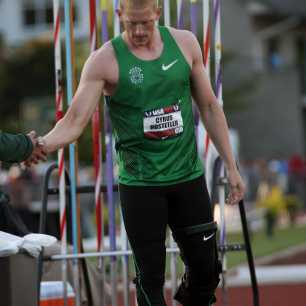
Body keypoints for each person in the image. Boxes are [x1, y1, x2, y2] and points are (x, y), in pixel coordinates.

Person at [34, 1, 245, 305]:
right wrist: (39, 144)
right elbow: (73, 122)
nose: (138, 31)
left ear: (157, 13)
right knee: (150, 279)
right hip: (141, 186)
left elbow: (210, 107)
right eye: (131, 23)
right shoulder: (103, 61)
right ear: (119, 16)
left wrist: (232, 167)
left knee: (206, 270)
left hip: (187, 176)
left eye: (145, 22)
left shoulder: (185, 44)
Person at [0, 130, 46, 235]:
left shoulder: (22, 169)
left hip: (22, 205)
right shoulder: (16, 168)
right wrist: (28, 145)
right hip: (16, 205)